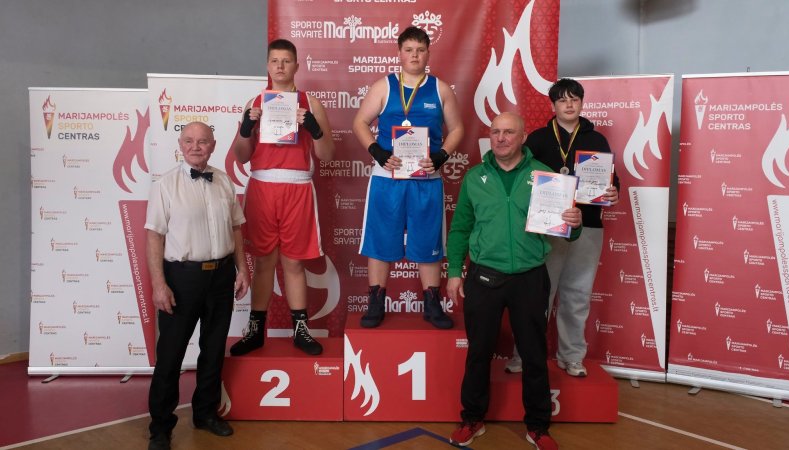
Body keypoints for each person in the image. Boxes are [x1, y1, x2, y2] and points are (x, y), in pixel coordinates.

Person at [447, 112, 582, 449]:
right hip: (484, 276)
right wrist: (454, 271)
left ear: (522, 137)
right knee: (478, 352)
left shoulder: (544, 176)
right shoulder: (475, 177)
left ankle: (538, 427)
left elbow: (567, 232)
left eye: (509, 132)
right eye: (496, 132)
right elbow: (460, 228)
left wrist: (574, 222)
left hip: (530, 277)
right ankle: (472, 418)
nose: (501, 138)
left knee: (534, 355)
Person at [145, 122, 250, 450]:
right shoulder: (165, 185)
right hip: (182, 278)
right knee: (170, 354)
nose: (195, 146)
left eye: (203, 141)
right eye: (189, 141)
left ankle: (205, 413)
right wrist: (159, 284)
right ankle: (161, 427)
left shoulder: (224, 181)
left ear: (213, 145)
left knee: (213, 349)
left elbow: (236, 228)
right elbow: (154, 236)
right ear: (180, 144)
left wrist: (242, 269)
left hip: (221, 276)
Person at [505, 78, 620, 377]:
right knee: (537, 296)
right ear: (553, 105)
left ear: (582, 103)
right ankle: (523, 354)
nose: (569, 105)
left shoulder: (597, 141)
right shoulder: (538, 139)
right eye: (562, 100)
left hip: (588, 225)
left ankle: (572, 356)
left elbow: (612, 181)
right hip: (546, 228)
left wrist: (612, 192)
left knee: (577, 294)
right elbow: (519, 178)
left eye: (574, 99)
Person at [353, 26, 464, 329]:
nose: (415, 55)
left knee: (429, 239)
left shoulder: (440, 89)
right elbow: (360, 122)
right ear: (399, 53)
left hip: (426, 177)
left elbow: (457, 129)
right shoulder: (383, 86)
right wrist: (376, 150)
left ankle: (432, 304)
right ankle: (376, 302)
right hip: (387, 176)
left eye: (420, 50)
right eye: (409, 50)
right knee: (380, 237)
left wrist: (442, 155)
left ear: (428, 53)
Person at [229, 38, 335, 356]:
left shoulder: (310, 103)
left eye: (286, 61)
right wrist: (246, 129)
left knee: (294, 262)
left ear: (296, 66)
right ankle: (255, 330)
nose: (280, 66)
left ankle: (300, 330)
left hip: (297, 187)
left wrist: (315, 130)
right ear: (267, 65)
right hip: (263, 186)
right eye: (275, 60)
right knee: (264, 261)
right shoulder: (254, 102)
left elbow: (327, 155)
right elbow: (241, 156)